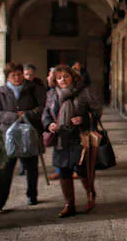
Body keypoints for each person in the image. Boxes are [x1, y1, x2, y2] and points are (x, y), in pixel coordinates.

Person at [42, 64, 103, 217]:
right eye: (59, 77)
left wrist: (84, 119)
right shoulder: (52, 95)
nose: (63, 80)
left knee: (82, 169)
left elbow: (97, 110)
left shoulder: (84, 92)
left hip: (80, 138)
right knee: (63, 171)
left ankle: (90, 194)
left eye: (66, 76)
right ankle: (69, 204)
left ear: (72, 77)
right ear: (55, 80)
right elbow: (46, 114)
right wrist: (49, 124)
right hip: (61, 138)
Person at [0, 62, 44, 209]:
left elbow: (42, 107)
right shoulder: (1, 91)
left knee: (31, 167)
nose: (17, 77)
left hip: (29, 132)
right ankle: (1, 198)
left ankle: (32, 195)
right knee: (7, 169)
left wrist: (28, 114)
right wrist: (12, 116)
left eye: (19, 74)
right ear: (7, 77)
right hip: (9, 135)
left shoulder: (33, 88)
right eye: (13, 75)